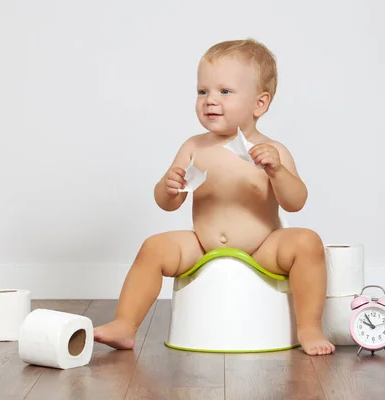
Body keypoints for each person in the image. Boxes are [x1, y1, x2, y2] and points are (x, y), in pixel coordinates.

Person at [93, 38, 335, 356]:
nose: (210, 100)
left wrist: (277, 172)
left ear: (259, 104)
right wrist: (168, 186)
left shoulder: (272, 151)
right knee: (154, 247)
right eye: (202, 91)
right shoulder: (194, 147)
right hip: (201, 243)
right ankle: (125, 324)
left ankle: (308, 326)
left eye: (225, 91)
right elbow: (168, 203)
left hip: (264, 247)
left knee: (307, 243)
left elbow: (296, 201)